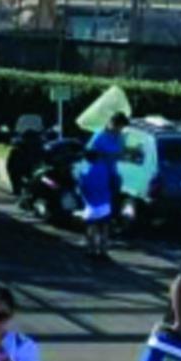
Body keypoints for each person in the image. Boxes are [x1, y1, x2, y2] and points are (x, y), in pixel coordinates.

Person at [78, 112, 128, 261]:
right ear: (113, 123)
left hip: (107, 178)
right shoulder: (99, 137)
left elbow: (118, 154)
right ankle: (97, 248)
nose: (120, 130)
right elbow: (90, 153)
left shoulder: (117, 137)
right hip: (103, 179)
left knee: (98, 220)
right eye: (120, 127)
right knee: (101, 220)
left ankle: (97, 248)